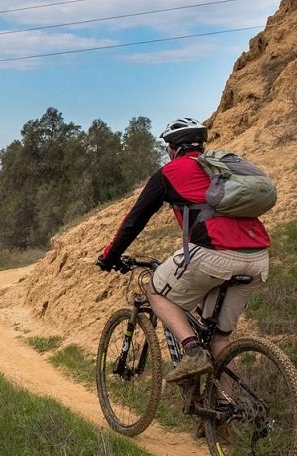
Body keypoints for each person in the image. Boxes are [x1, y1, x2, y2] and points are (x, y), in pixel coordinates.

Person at [95, 117, 270, 393]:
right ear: (200, 145)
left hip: (214, 253)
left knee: (157, 293)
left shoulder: (170, 172)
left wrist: (109, 256)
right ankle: (225, 410)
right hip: (258, 256)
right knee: (219, 339)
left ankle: (191, 352)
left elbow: (134, 220)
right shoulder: (220, 170)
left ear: (172, 148)